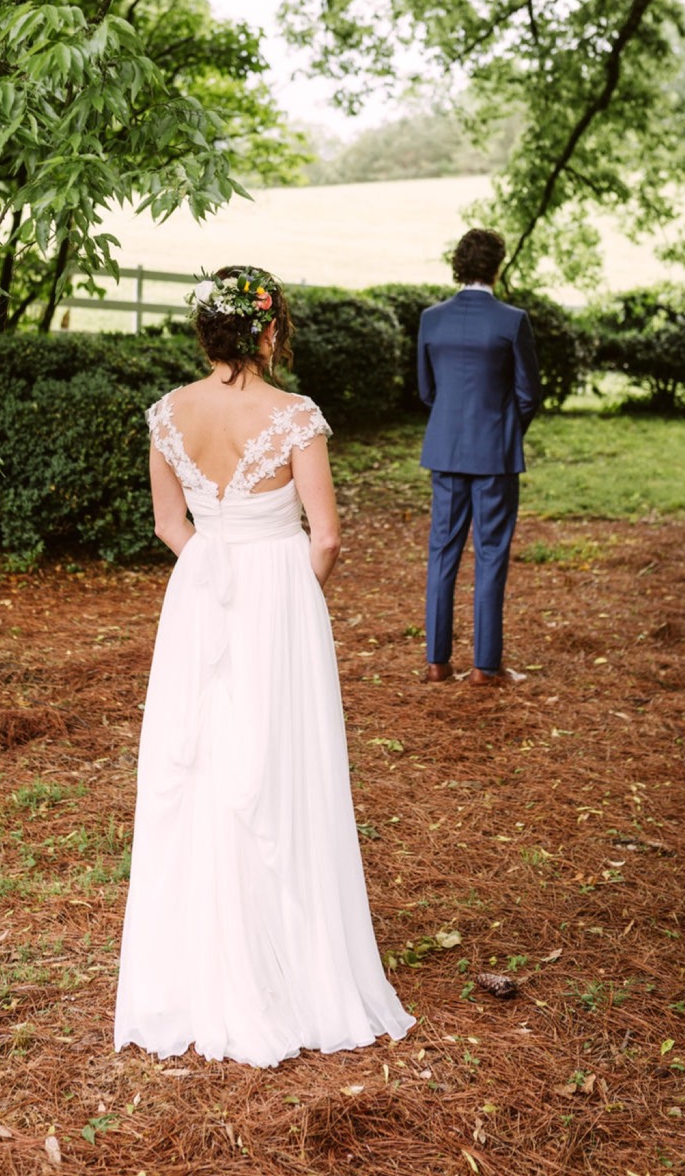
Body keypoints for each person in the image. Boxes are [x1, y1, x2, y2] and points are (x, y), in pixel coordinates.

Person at [114, 264, 414, 1067]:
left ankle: (196, 959)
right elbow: (326, 537)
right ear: (270, 330)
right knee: (278, 768)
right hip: (280, 604)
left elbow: (168, 523)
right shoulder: (295, 416)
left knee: (201, 767)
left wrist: (216, 568)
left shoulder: (168, 413)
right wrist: (285, 596)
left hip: (198, 596)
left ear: (206, 333)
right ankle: (289, 958)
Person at [417, 229, 541, 688]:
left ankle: (437, 662)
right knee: (491, 555)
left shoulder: (432, 319)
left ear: (458, 265)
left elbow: (427, 392)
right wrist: (503, 432)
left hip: (445, 452)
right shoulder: (513, 320)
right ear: (497, 266)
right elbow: (529, 394)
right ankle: (486, 667)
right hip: (496, 457)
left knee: (442, 552)